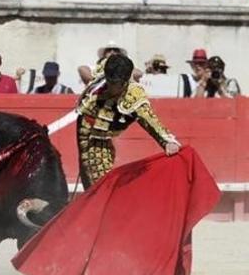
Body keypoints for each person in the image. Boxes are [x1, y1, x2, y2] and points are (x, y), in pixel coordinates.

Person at [74, 54, 180, 188]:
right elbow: (85, 69)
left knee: (99, 181)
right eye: (109, 81)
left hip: (100, 137)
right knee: (87, 177)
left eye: (115, 84)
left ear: (125, 82)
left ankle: (101, 207)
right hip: (83, 125)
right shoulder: (108, 65)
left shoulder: (133, 94)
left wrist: (167, 142)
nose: (110, 86)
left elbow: (150, 120)